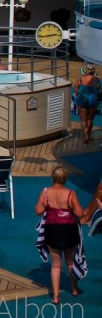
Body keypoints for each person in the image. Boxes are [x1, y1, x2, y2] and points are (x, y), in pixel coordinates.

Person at [34, 166, 83, 303]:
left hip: (52, 229)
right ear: (65, 178)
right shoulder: (70, 193)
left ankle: (55, 296)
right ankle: (74, 288)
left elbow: (38, 210)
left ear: (52, 177)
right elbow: (79, 213)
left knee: (55, 265)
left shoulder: (45, 192)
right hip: (68, 230)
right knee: (70, 262)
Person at [73, 64, 100, 144]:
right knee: (90, 119)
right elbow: (100, 91)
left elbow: (76, 88)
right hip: (93, 100)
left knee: (83, 119)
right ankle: (88, 134)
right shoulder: (97, 80)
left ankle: (86, 135)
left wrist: (79, 93)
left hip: (82, 100)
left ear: (85, 71)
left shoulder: (80, 79)